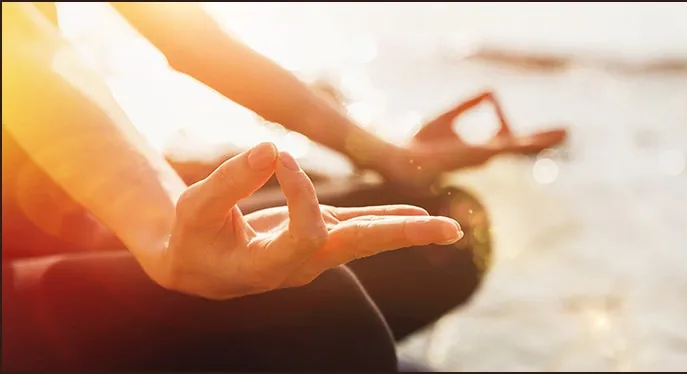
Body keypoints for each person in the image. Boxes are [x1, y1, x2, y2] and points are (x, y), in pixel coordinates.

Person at [1, 3, 562, 371]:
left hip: (70, 219)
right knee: (322, 312)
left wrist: (388, 155)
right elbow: (25, 55)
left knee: (440, 229)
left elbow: (190, 37)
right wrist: (165, 232)